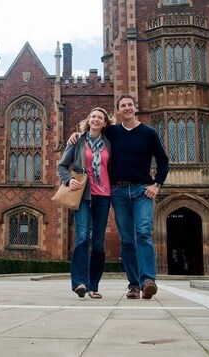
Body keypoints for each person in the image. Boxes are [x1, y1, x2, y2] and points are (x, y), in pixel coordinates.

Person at [68, 94, 169, 299]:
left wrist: (157, 184)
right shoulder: (112, 132)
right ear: (118, 111)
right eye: (122, 105)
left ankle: (148, 280)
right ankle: (133, 284)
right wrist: (76, 136)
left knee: (143, 233)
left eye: (130, 105)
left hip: (142, 190)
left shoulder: (148, 133)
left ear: (135, 107)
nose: (127, 108)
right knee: (127, 240)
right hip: (118, 191)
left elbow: (163, 160)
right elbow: (92, 133)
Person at [56, 107, 112, 299]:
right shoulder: (77, 141)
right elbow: (62, 165)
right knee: (81, 238)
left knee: (98, 243)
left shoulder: (109, 144)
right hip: (83, 195)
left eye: (100, 117)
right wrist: (67, 179)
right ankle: (80, 282)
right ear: (88, 120)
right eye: (93, 116)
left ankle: (94, 285)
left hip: (104, 196)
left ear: (105, 123)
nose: (96, 120)